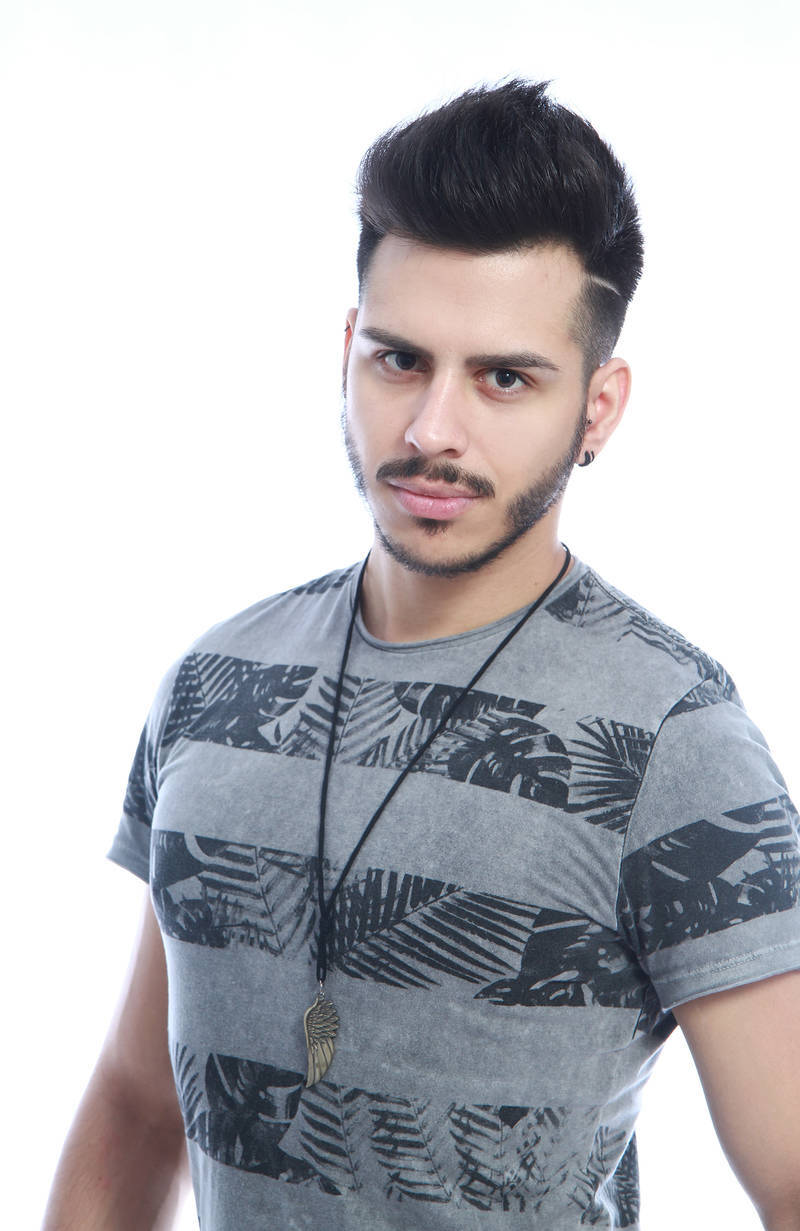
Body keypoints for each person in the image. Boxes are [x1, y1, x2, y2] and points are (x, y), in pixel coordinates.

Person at [44, 80, 800, 1231]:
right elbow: (138, 1105)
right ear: (347, 348)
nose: (430, 430)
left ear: (597, 408)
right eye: (399, 360)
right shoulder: (215, 687)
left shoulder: (670, 739)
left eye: (504, 377)